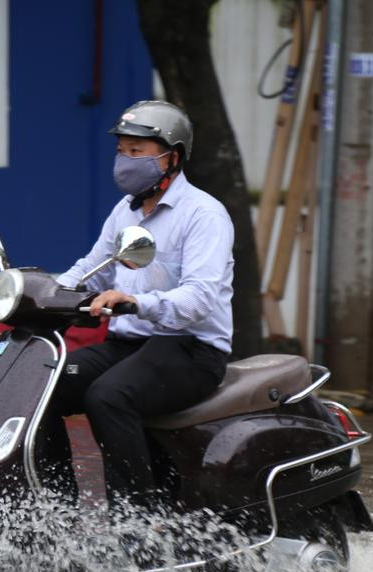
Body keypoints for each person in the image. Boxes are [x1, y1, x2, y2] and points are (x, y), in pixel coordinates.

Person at [41, 100, 234, 509]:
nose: (125, 160)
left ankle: (139, 523)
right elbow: (93, 268)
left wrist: (135, 301)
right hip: (130, 344)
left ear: (172, 157)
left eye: (137, 151)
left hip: (190, 348)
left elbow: (200, 297)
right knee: (43, 386)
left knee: (108, 396)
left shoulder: (204, 215)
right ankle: (52, 512)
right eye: (121, 150)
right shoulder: (125, 212)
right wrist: (46, 294)